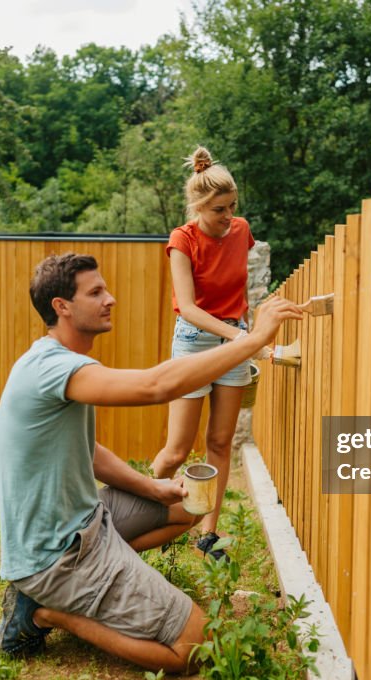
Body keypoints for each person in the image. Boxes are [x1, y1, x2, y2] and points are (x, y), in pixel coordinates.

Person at [0, 252, 301, 673]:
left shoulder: (57, 362)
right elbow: (155, 386)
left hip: (88, 522)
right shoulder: (50, 369)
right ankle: (43, 612)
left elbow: (90, 450)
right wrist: (252, 340)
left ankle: (105, 579)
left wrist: (151, 487)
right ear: (61, 307)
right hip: (58, 556)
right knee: (198, 645)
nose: (111, 298)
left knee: (188, 506)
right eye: (95, 292)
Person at [151, 146, 262, 561]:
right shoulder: (183, 239)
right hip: (195, 343)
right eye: (219, 209)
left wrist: (244, 330)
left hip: (234, 338)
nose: (228, 216)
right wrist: (239, 341)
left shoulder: (241, 231)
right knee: (177, 449)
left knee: (220, 441)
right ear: (198, 206)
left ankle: (208, 537)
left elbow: (240, 289)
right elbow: (190, 307)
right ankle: (141, 514)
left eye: (232, 206)